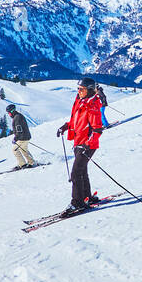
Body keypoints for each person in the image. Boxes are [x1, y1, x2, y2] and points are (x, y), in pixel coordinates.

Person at [55, 76, 105, 216]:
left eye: (81, 89)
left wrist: (87, 144)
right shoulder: (80, 101)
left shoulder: (92, 105)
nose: (79, 91)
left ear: (89, 90)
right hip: (79, 142)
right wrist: (65, 126)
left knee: (76, 172)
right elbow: (76, 121)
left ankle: (77, 203)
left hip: (87, 144)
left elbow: (97, 129)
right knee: (82, 171)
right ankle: (86, 197)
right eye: (78, 88)